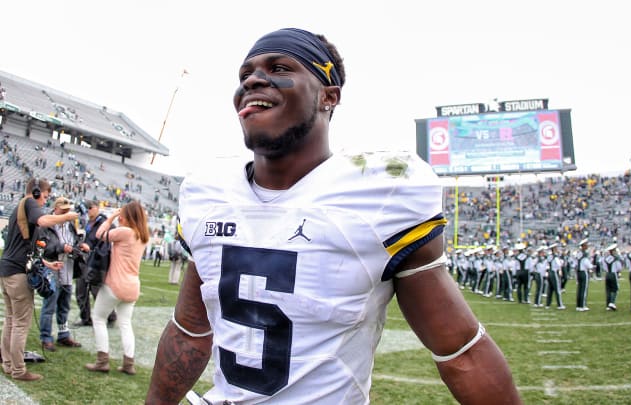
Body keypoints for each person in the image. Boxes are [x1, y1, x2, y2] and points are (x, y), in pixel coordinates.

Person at [146, 28, 521, 405]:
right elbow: (189, 330)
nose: (254, 80)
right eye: (245, 75)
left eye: (279, 68)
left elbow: (461, 351)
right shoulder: (207, 190)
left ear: (329, 96)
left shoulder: (380, 193)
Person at [0, 178, 78, 381]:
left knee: (10, 320)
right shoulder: (29, 203)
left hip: (7, 270)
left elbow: (24, 249)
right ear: (36, 193)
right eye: (44, 197)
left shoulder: (18, 208)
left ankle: (8, 365)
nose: (44, 202)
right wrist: (66, 216)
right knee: (20, 323)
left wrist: (46, 264)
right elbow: (43, 221)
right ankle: (18, 370)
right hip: (17, 273)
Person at [85, 201, 149, 375]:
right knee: (126, 324)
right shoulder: (142, 235)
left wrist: (112, 217)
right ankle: (129, 363)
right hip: (133, 285)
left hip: (115, 284)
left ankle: (102, 360)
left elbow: (99, 234)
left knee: (98, 318)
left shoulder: (125, 232)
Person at [36, 197, 83, 351]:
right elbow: (42, 248)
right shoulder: (46, 224)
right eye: (63, 210)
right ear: (55, 209)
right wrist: (61, 247)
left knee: (64, 306)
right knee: (49, 306)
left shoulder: (70, 226)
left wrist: (79, 247)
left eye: (67, 210)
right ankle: (46, 337)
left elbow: (75, 242)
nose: (66, 213)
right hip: (52, 269)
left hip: (68, 269)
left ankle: (63, 335)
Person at [75, 200, 116, 327]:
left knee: (96, 291)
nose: (88, 210)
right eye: (86, 208)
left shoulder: (104, 223)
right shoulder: (89, 223)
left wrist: (92, 248)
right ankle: (85, 318)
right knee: (81, 290)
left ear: (97, 208)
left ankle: (111, 316)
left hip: (97, 262)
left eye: (90, 208)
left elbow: (107, 242)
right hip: (85, 260)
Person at [603, 243, 623, 311]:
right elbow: (619, 268)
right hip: (613, 274)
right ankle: (612, 302)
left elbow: (604, 267)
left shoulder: (606, 258)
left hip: (607, 274)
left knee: (608, 290)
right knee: (615, 289)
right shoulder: (616, 258)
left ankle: (608, 305)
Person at [545, 243, 565, 309]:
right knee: (557, 289)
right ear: (553, 249)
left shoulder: (549, 256)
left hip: (549, 272)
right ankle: (560, 304)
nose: (557, 249)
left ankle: (548, 304)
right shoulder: (555, 256)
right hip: (554, 273)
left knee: (550, 289)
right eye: (556, 248)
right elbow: (559, 264)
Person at [575, 238, 592, 312]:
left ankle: (578, 305)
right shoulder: (584, 253)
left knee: (579, 289)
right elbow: (587, 263)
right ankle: (582, 305)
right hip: (583, 272)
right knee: (584, 289)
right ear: (584, 246)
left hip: (578, 272)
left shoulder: (578, 253)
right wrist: (591, 266)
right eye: (586, 244)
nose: (587, 246)